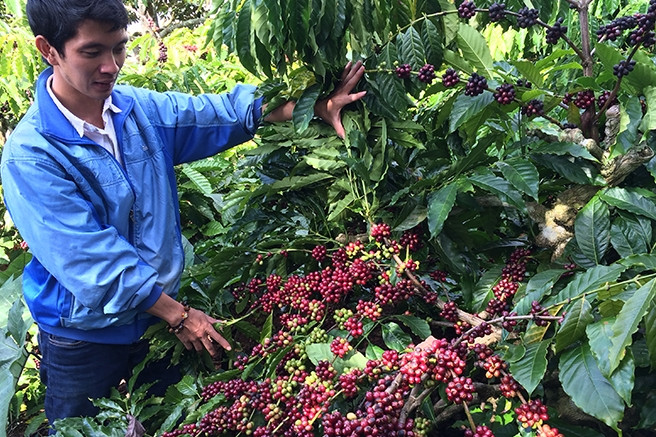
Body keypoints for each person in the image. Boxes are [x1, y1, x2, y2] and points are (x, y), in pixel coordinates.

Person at [0, 0, 366, 431]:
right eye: (92, 52)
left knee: (173, 422)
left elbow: (220, 114)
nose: (111, 66)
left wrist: (315, 106)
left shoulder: (136, 111)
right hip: (84, 333)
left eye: (119, 48)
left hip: (159, 319)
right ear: (49, 49)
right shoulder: (32, 154)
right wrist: (178, 314)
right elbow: (90, 260)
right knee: (82, 426)